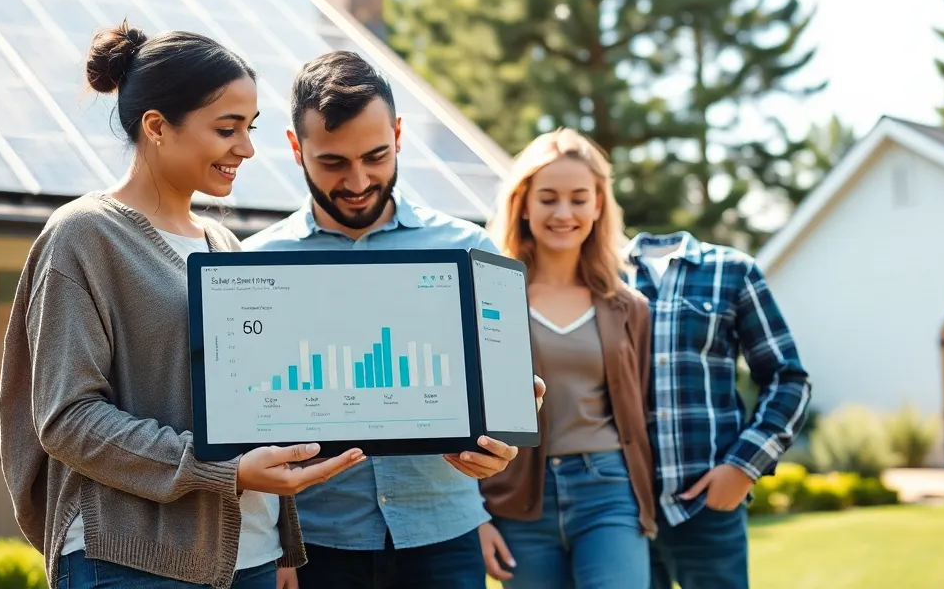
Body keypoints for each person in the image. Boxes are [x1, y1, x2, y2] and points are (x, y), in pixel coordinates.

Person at [0, 23, 366, 589]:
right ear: (156, 127)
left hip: (251, 554)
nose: (245, 148)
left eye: (250, 128)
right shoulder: (84, 237)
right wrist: (225, 470)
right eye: (227, 128)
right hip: (134, 561)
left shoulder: (225, 246)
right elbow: (67, 419)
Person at [241, 50, 544, 589]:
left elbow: (503, 402)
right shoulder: (255, 264)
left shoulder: (469, 248)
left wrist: (504, 436)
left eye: (376, 156)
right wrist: (278, 543)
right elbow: (247, 420)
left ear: (399, 135)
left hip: (443, 534)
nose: (358, 181)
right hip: (315, 544)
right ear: (296, 148)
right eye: (333, 162)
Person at [476, 128, 657, 589]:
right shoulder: (488, 296)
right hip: (518, 499)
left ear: (598, 205)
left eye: (579, 198)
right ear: (524, 205)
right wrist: (475, 516)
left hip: (609, 491)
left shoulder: (628, 306)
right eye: (548, 198)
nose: (563, 213)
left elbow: (641, 410)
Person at [625, 228, 812, 589]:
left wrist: (743, 466)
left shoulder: (733, 269)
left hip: (708, 504)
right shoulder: (601, 275)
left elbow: (788, 379)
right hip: (620, 508)